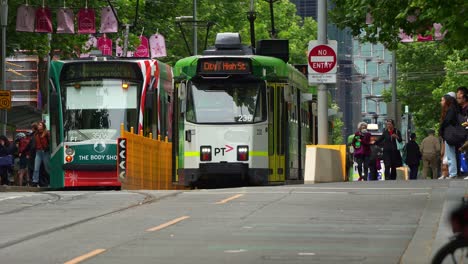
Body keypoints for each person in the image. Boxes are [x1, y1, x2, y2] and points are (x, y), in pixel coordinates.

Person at [439, 92, 460, 179]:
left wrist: (442, 127)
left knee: (450, 154)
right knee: (451, 154)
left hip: (450, 134)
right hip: (451, 134)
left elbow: (447, 121)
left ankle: (453, 173)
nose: (441, 102)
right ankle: (453, 173)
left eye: (442, 100)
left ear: (447, 101)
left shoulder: (451, 109)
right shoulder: (454, 108)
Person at [31, 121, 51, 187]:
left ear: (43, 126)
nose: (38, 126)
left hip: (45, 152)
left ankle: (51, 180)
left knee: (47, 168)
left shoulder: (47, 133)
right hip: (38, 152)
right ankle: (35, 182)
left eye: (40, 125)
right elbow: (34, 143)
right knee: (36, 168)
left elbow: (50, 142)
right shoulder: (36, 134)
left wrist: (47, 148)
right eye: (38, 125)